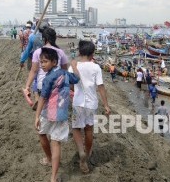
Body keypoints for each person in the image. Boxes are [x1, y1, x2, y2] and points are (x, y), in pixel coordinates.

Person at [34, 47, 80, 182]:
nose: (42, 64)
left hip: (47, 113)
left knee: (42, 134)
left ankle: (49, 159)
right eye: (41, 62)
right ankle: (53, 178)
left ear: (54, 62)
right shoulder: (65, 74)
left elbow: (42, 98)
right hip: (61, 115)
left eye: (45, 62)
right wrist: (74, 66)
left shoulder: (47, 79)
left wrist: (36, 116)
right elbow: (76, 79)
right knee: (56, 144)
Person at [69, 40, 111, 174]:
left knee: (76, 128)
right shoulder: (96, 67)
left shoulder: (73, 66)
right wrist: (106, 105)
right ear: (92, 54)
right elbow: (101, 87)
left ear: (80, 52)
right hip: (91, 104)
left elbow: (71, 85)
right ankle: (87, 155)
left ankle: (81, 152)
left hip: (78, 102)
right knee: (89, 130)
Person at [23, 27, 68, 110]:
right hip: (56, 86)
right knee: (54, 111)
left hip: (42, 86)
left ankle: (41, 118)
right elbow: (65, 71)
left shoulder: (38, 52)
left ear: (44, 39)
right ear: (54, 38)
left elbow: (34, 71)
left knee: (43, 111)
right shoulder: (60, 52)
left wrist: (27, 87)